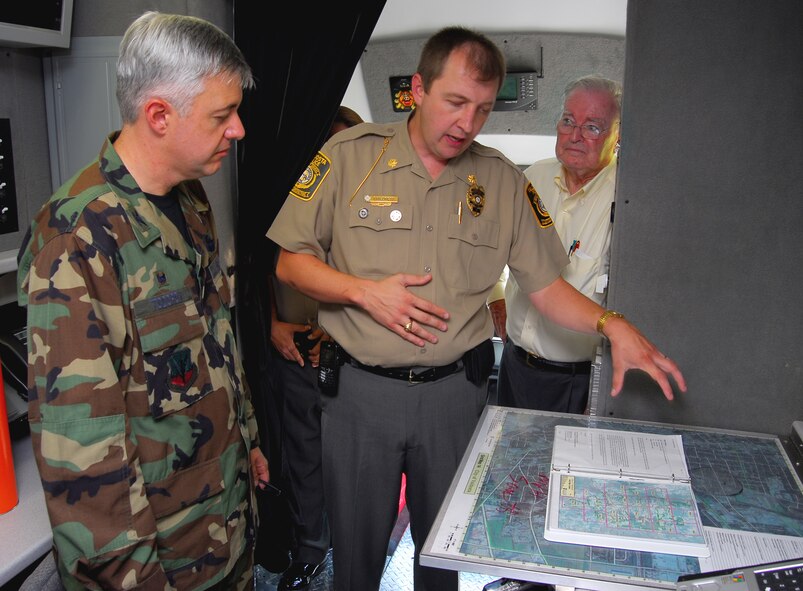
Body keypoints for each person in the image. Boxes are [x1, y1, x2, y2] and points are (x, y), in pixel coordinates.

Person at [266, 26, 685, 591]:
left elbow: (544, 288)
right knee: (357, 554)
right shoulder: (348, 158)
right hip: (361, 397)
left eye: (483, 109)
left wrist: (614, 325)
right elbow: (289, 263)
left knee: (443, 555)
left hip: (453, 401)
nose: (467, 123)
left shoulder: (504, 181)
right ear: (418, 89)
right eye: (455, 102)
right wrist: (363, 291)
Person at [16, 12, 269, 591]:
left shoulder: (191, 201)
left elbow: (216, 344)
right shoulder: (77, 240)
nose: (238, 130)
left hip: (223, 530)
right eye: (222, 115)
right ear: (159, 115)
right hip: (160, 567)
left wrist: (247, 437)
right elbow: (86, 468)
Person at [269, 105, 364, 591]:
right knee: (302, 455)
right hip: (294, 346)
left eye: (341, 146)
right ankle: (310, 548)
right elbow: (256, 266)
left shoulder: (372, 207)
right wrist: (272, 326)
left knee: (354, 461)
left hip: (351, 352)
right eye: (323, 147)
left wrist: (341, 327)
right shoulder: (287, 200)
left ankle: (357, 551)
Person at [489, 74, 622, 414]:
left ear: (617, 134)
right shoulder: (532, 176)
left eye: (592, 127)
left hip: (576, 380)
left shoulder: (627, 197)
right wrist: (497, 296)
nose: (575, 135)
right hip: (514, 366)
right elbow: (494, 245)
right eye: (568, 121)